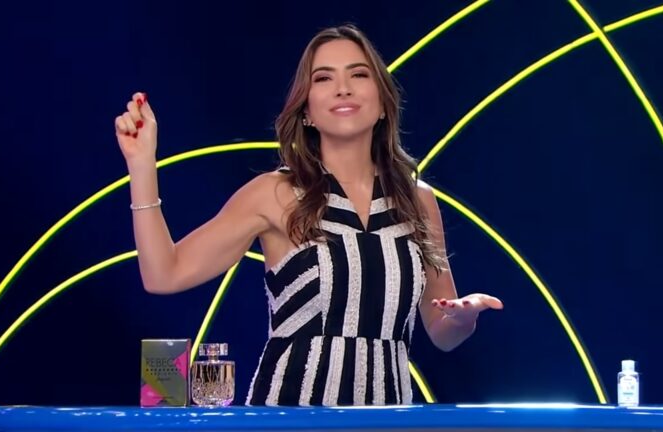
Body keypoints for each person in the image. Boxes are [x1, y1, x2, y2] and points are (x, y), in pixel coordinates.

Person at [114, 24, 503, 406]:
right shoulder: (275, 193)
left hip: (387, 418)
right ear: (307, 113)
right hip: (289, 418)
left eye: (358, 74)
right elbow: (164, 273)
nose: (343, 88)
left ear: (384, 103)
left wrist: (463, 318)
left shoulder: (417, 200)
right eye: (324, 78)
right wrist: (142, 165)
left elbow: (441, 331)